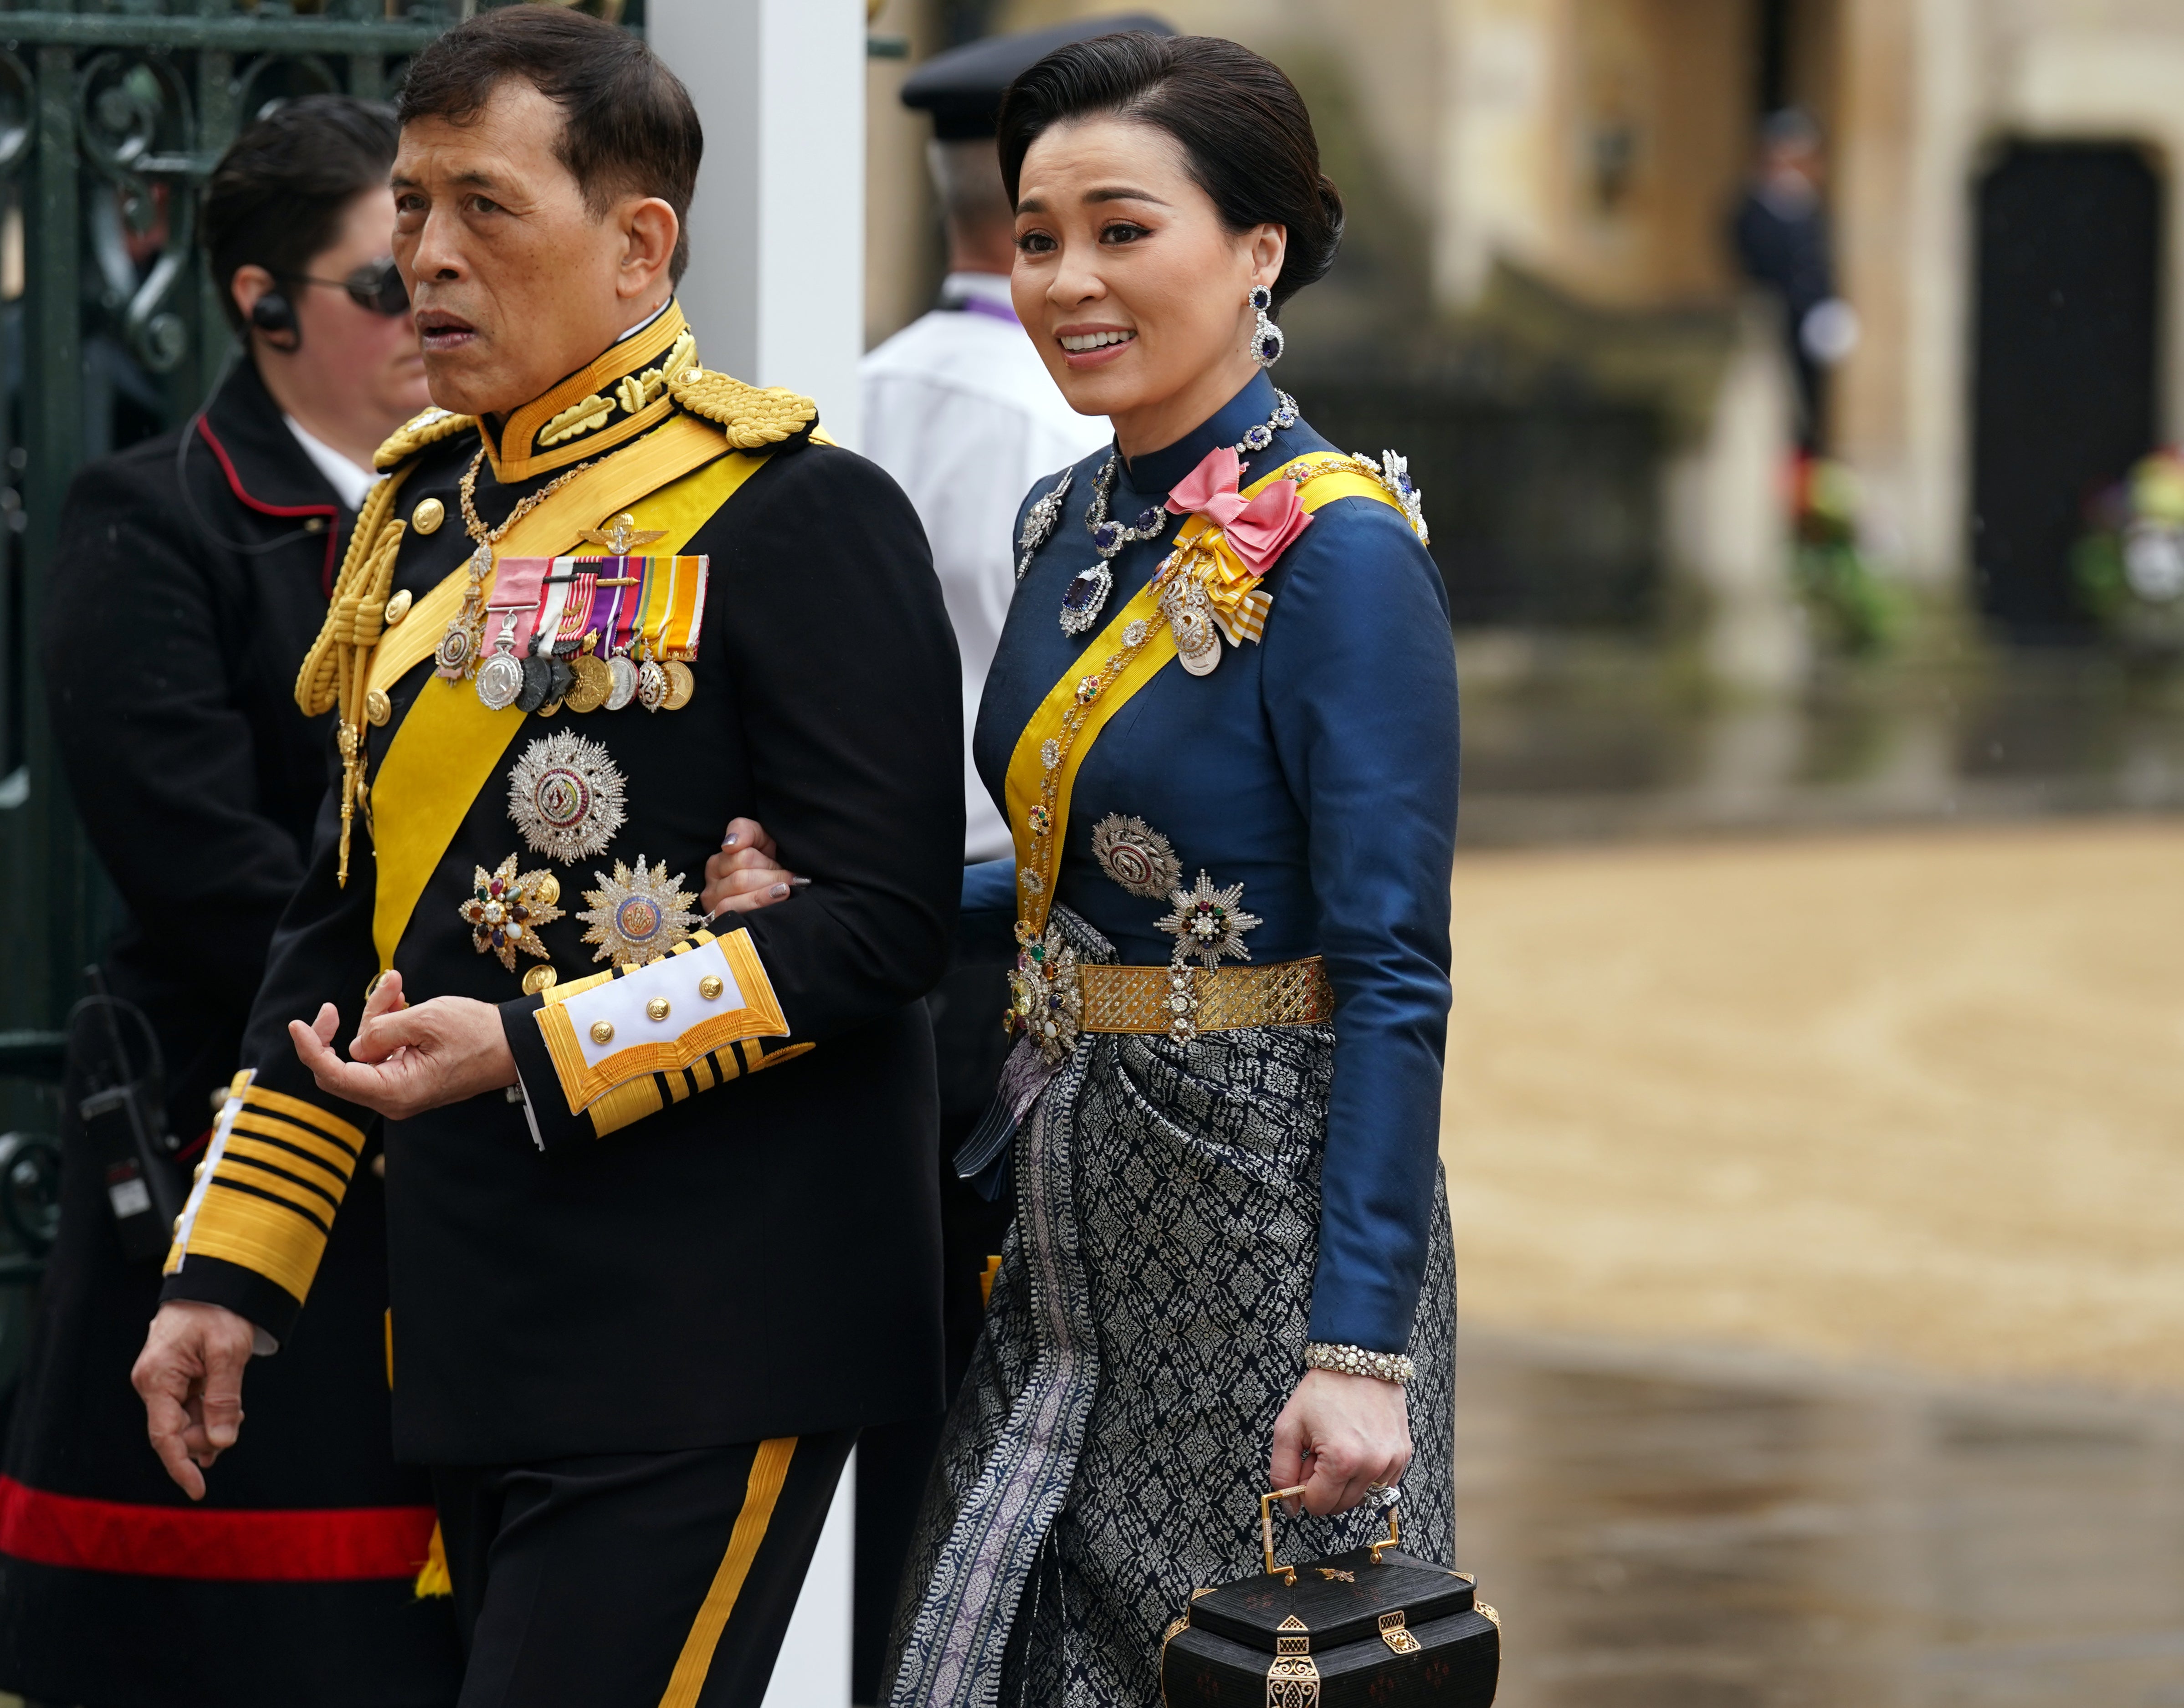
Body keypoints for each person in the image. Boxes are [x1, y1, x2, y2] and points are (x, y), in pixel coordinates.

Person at [129, 10, 962, 1704]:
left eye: (483, 209)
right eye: (412, 207)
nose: (426, 256)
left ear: (636, 243)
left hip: (709, 1313)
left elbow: (878, 927)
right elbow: (342, 917)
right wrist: (232, 1264)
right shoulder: (424, 511)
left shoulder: (798, 513)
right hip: (471, 1302)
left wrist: (532, 1043)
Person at [856, 30, 1461, 1708]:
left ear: (1256, 247)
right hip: (1058, 1195)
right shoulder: (1064, 520)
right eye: (1036, 235)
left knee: (1215, 1670)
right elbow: (1061, 890)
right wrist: (843, 903)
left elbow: (1392, 970)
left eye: (1122, 230)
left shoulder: (1338, 550)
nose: (1064, 279)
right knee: (971, 1651)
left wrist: (1355, 1349)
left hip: (1258, 1219)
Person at [2, 96, 462, 1708]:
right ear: (263, 304)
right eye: (385, 283)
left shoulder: (489, 510)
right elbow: (207, 864)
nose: (435, 303)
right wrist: (425, 1005)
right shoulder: (160, 516)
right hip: (257, 1109)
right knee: (256, 1635)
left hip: (470, 1141)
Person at [851, 18, 1142, 1699]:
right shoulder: (1073, 429)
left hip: (866, 949)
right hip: (1008, 955)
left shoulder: (857, 380)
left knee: (921, 1408)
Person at [1731, 107, 1858, 452]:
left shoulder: (1809, 208)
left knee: (1814, 412)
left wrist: (1828, 305)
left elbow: (1819, 265)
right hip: (1778, 323)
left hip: (1813, 328)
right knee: (1781, 411)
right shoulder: (1756, 211)